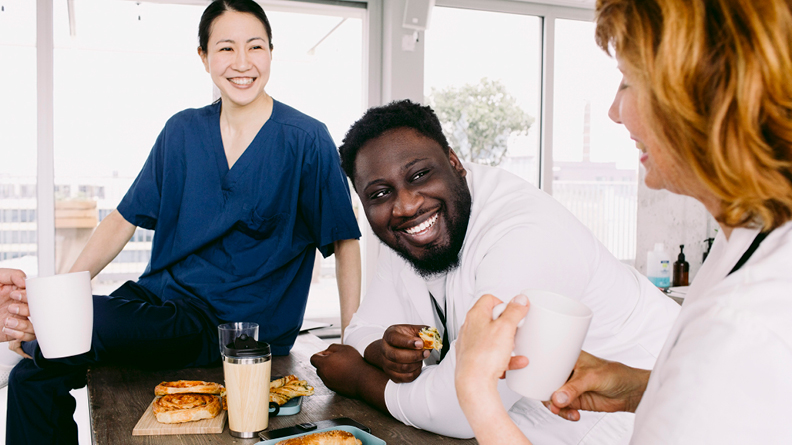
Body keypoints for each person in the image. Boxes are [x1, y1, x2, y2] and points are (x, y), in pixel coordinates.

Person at [0, 1, 361, 443]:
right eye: (226, 48)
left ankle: (37, 330)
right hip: (159, 302)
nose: (242, 63)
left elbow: (345, 243)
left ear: (271, 52)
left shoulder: (306, 139)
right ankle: (40, 335)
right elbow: (121, 220)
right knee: (32, 378)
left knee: (84, 321)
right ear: (204, 57)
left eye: (256, 46)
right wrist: (60, 296)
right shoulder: (182, 132)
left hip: (229, 326)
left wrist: (352, 343)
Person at [455, 0, 792, 443]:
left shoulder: (744, 324)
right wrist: (642, 387)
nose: (615, 111)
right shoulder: (752, 237)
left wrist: (476, 392)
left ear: (705, 97)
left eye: (629, 82)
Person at [310, 99, 680, 443]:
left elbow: (461, 405)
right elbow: (362, 330)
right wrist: (381, 351)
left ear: (454, 162)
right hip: (523, 419)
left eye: (420, 175)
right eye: (379, 193)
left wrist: (359, 379)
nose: (405, 205)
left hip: (638, 422)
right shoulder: (412, 228)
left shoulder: (524, 235)